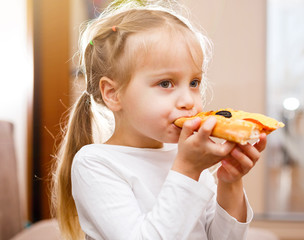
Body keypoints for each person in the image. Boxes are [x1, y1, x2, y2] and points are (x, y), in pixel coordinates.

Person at [52, 1, 267, 239]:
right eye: (165, 83)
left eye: (194, 82)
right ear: (113, 94)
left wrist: (230, 182)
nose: (189, 100)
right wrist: (187, 169)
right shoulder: (96, 163)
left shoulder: (184, 154)